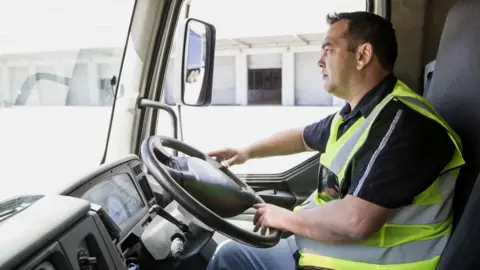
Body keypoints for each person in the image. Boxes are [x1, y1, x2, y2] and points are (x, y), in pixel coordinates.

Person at [206, 11, 465, 270]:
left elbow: (356, 222)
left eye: (328, 50)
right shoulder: (355, 115)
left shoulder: (405, 125)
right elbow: (301, 137)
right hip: (323, 250)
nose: (319, 61)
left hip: (370, 263)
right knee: (229, 255)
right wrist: (246, 151)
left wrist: (284, 218)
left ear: (363, 55)